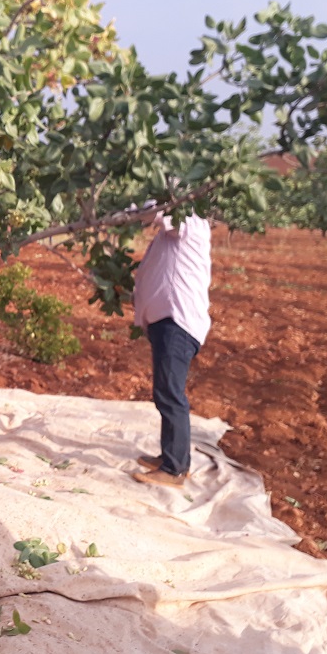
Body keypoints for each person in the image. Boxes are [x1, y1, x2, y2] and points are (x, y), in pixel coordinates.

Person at [130, 206, 212, 487]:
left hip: (177, 324)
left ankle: (175, 468)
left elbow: (147, 211)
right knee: (166, 391)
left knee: (170, 393)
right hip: (166, 322)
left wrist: (123, 208)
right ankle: (172, 457)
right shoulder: (169, 236)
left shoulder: (191, 223)